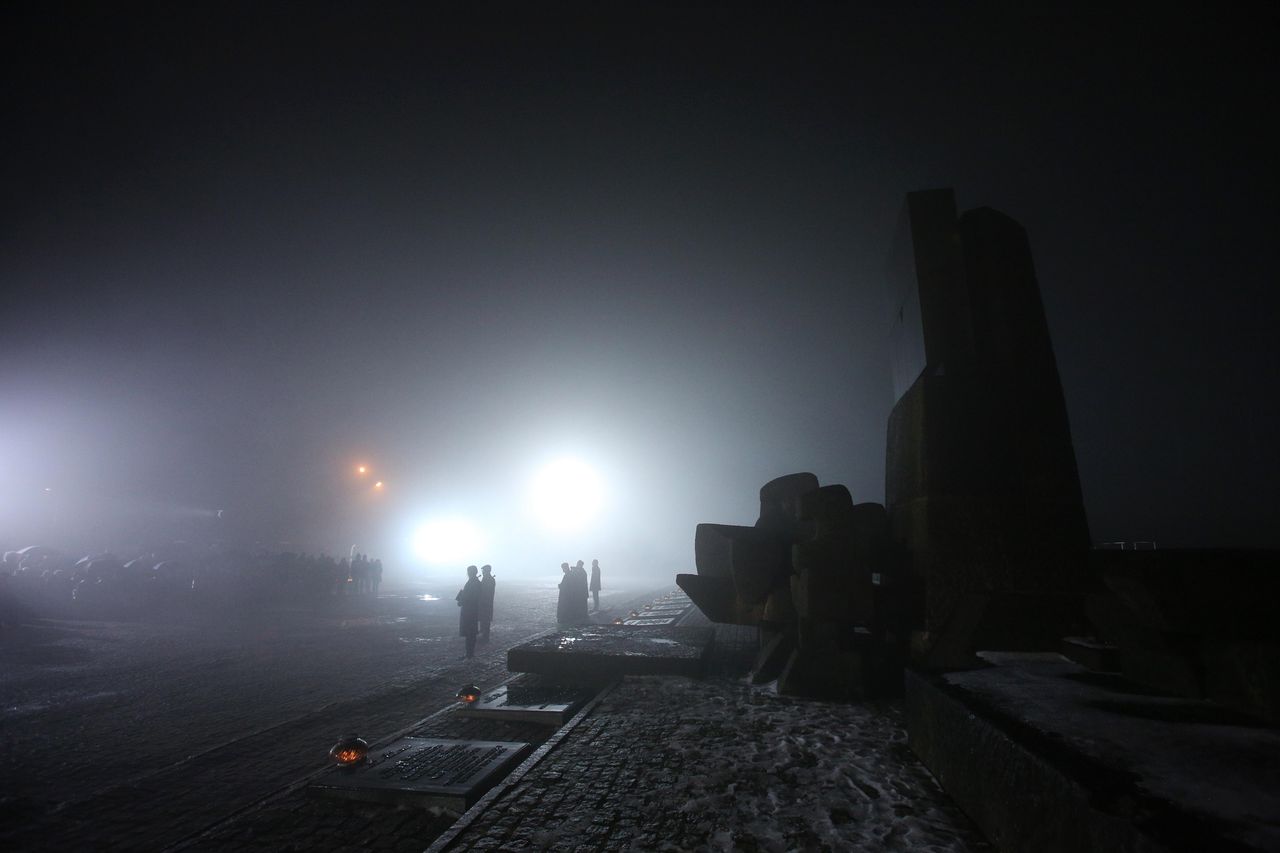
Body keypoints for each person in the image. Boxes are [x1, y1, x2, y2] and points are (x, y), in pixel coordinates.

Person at [456, 565, 481, 658]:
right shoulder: (475, 582)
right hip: (472, 610)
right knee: (470, 632)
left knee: (470, 632)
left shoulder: (472, 582)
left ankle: (469, 653)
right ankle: (469, 653)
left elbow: (470, 597)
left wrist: (461, 601)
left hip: (469, 610)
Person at [478, 564, 495, 643]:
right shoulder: (489, 579)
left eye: (483, 571)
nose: (483, 572)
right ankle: (484, 636)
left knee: (485, 620)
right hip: (487, 603)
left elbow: (484, 591)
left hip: (486, 603)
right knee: (485, 620)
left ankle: (485, 637)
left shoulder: (487, 579)